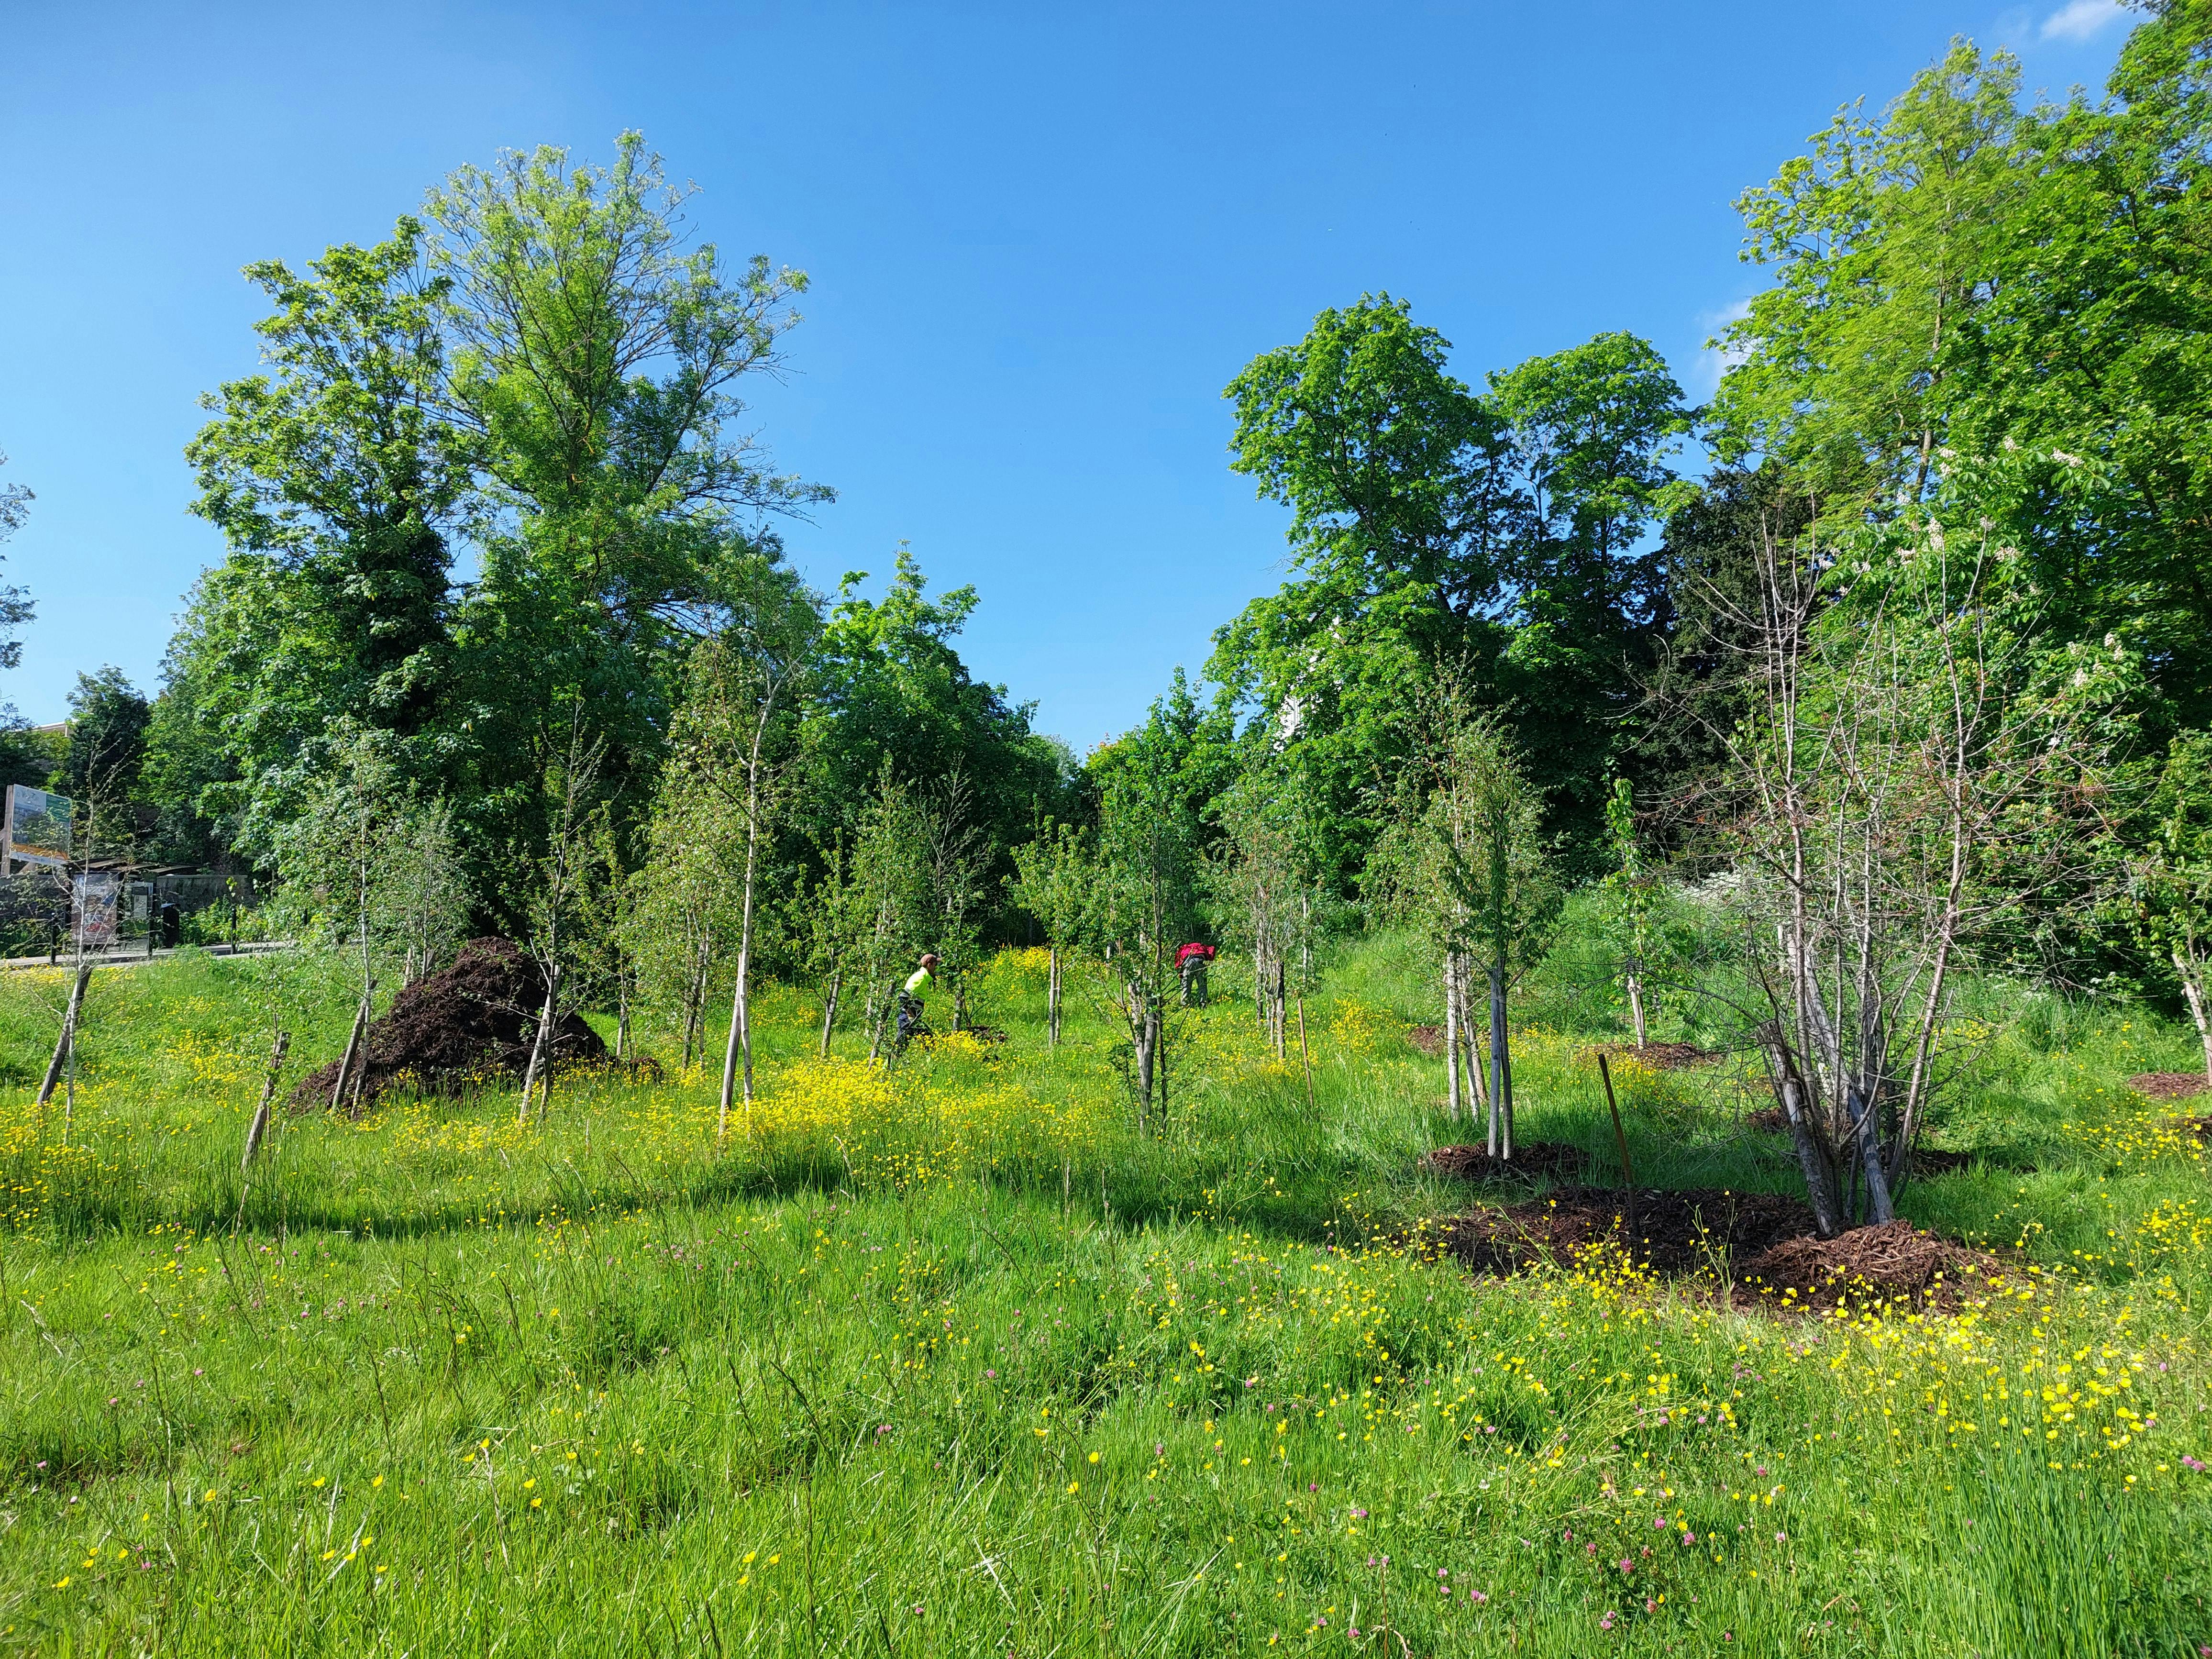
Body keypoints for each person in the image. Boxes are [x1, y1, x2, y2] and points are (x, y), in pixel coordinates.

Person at [896, 952, 939, 1052]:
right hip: (907, 1017)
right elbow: (903, 998)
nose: (936, 968)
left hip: (912, 1017)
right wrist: (910, 1015)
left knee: (928, 1039)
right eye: (935, 965)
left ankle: (931, 1058)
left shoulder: (923, 977)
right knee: (902, 1045)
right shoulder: (920, 978)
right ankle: (892, 1061)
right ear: (929, 965)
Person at [1175, 941, 1216, 1007]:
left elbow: (1179, 961)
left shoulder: (1184, 948)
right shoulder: (1202, 946)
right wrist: (1209, 960)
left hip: (1188, 963)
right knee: (1202, 984)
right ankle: (1203, 1004)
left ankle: (1185, 1005)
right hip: (1201, 961)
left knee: (1186, 985)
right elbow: (1212, 951)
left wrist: (1180, 973)